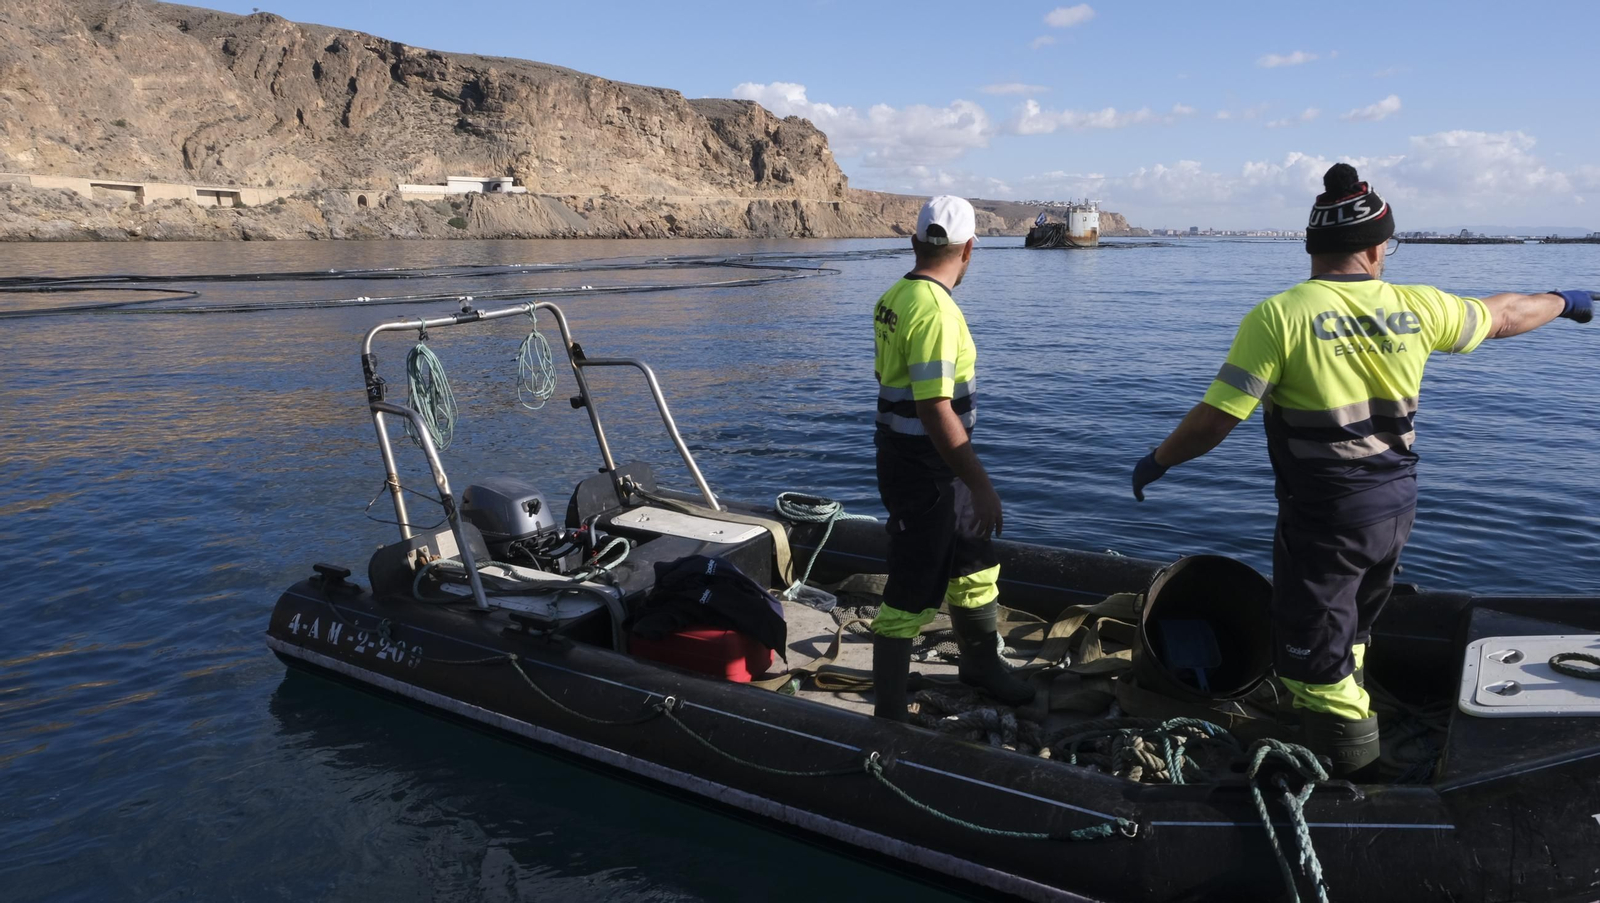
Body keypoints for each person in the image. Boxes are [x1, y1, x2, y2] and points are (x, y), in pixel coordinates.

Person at [1131, 163, 1594, 774]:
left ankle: (1351, 770)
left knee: (1312, 654)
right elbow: (1507, 312)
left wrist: (1159, 460)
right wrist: (1564, 301)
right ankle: (1352, 706)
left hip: (1326, 513)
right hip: (1395, 504)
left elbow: (1216, 420)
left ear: (1312, 246)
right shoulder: (1418, 306)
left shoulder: (1279, 316)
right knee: (1351, 626)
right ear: (1377, 247)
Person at [869, 195, 1034, 721]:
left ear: (914, 241)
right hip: (925, 470)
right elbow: (934, 407)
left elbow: (890, 380)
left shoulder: (895, 296)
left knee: (973, 561)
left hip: (929, 463)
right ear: (969, 249)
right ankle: (890, 715)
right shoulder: (937, 311)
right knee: (913, 583)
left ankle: (980, 666)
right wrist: (981, 484)